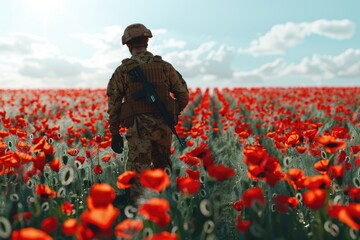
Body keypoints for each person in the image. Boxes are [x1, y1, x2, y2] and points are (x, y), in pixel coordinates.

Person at [106, 23, 189, 203]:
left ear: (128, 45)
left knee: (137, 173)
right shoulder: (165, 67)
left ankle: (137, 212)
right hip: (163, 129)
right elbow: (182, 94)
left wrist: (114, 133)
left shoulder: (122, 71)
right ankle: (166, 208)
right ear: (147, 41)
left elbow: (113, 104)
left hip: (138, 131)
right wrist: (171, 113)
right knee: (163, 170)